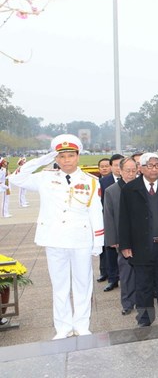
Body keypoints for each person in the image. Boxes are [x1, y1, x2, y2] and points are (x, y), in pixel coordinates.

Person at [9, 134, 104, 339]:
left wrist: (99, 242)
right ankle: (62, 327)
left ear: (78, 156)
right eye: (61, 156)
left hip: (81, 239)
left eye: (70, 155)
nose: (66, 160)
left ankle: (81, 325)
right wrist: (44, 158)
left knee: (83, 284)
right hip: (55, 239)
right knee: (59, 286)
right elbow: (15, 178)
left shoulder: (91, 181)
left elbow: (96, 212)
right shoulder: (44, 178)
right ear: (56, 158)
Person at [119, 153, 158, 327]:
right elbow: (123, 219)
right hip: (141, 246)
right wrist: (125, 245)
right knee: (143, 286)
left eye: (157, 166)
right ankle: (144, 318)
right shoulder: (130, 189)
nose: (154, 169)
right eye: (150, 165)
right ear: (141, 168)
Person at [103, 157, 139, 316]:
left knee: (143, 272)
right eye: (127, 171)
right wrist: (113, 240)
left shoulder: (142, 187)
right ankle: (128, 302)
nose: (131, 174)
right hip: (123, 239)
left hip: (142, 238)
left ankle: (142, 299)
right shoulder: (111, 190)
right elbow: (108, 217)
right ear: (120, 171)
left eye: (133, 170)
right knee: (126, 273)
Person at [99, 153, 125, 292]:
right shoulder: (103, 182)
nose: (117, 167)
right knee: (110, 252)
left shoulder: (131, 179)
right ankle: (113, 279)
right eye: (115, 165)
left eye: (120, 164)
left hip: (126, 222)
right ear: (111, 166)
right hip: (109, 220)